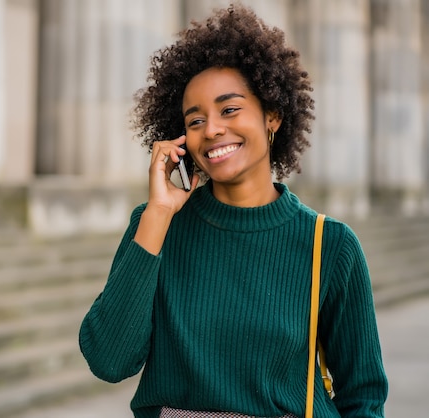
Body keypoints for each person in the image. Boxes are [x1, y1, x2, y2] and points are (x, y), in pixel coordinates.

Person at [79, 4, 388, 418]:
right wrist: (157, 214)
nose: (211, 129)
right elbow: (109, 360)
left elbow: (363, 396)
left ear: (272, 116)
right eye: (194, 120)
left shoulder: (330, 245)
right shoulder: (156, 226)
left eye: (230, 109)